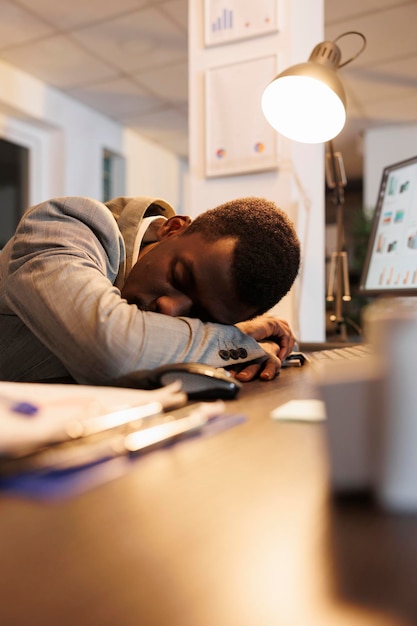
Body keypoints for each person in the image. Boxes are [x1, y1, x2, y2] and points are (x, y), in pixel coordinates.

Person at [0, 195, 300, 386]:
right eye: (180, 277)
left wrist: (260, 347)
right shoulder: (69, 225)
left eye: (200, 316)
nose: (171, 308)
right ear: (173, 228)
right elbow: (112, 349)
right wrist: (240, 340)